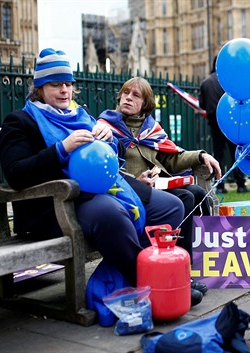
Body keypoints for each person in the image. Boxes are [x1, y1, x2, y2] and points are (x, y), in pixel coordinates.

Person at [0, 48, 203, 306]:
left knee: (171, 206)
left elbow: (109, 160)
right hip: (57, 206)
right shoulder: (20, 121)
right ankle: (153, 282)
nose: (64, 90)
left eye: (68, 84)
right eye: (55, 84)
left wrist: (111, 142)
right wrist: (62, 149)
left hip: (102, 190)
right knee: (111, 213)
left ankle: (139, 269)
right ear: (39, 88)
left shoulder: (81, 117)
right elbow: (16, 174)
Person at [97, 77, 220, 295]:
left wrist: (201, 156)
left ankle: (186, 267)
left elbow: (171, 159)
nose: (128, 97)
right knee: (186, 198)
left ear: (145, 104)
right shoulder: (106, 126)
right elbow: (106, 167)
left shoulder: (150, 129)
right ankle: (175, 270)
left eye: (135, 95)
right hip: (129, 190)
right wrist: (137, 181)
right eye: (126, 93)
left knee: (197, 192)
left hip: (156, 185)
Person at [199, 56, 249, 194]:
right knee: (235, 153)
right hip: (231, 122)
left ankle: (219, 185)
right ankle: (241, 184)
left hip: (214, 122)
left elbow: (201, 104)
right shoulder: (228, 81)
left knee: (218, 154)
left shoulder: (206, 82)